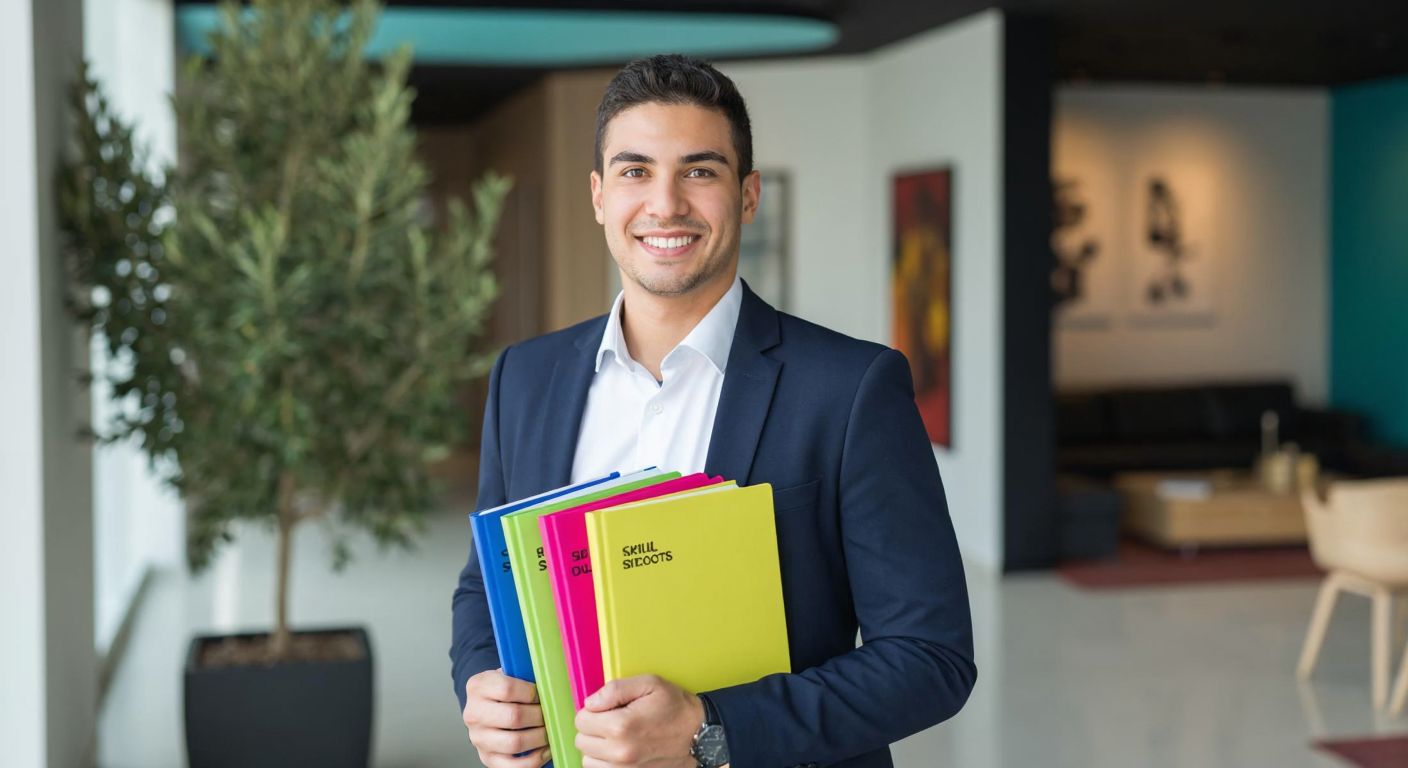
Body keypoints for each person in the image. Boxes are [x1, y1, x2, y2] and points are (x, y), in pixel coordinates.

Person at [451, 54, 975, 768]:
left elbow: (930, 657)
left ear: (748, 194)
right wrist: (482, 685)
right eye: (636, 171)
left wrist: (711, 730)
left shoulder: (851, 389)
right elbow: (488, 578)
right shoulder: (525, 377)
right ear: (599, 195)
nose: (665, 204)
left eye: (699, 171)